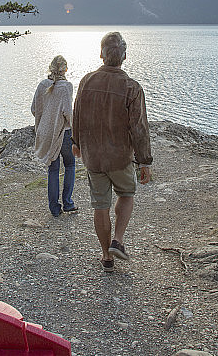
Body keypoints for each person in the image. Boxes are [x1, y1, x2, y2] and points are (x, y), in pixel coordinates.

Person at [72, 32, 152, 272]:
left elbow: (77, 114)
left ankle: (106, 256)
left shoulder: (86, 81)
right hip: (120, 157)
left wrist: (76, 142)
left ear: (101, 54)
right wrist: (144, 161)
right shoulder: (131, 87)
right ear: (124, 56)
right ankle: (118, 239)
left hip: (93, 156)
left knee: (100, 205)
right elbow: (138, 128)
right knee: (126, 194)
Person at [31, 55, 77, 217]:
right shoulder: (66, 87)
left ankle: (54, 209)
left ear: (50, 68)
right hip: (62, 133)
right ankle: (68, 203)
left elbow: (34, 109)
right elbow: (68, 113)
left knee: (53, 169)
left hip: (45, 133)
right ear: (65, 69)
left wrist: (46, 120)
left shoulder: (42, 85)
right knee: (70, 165)